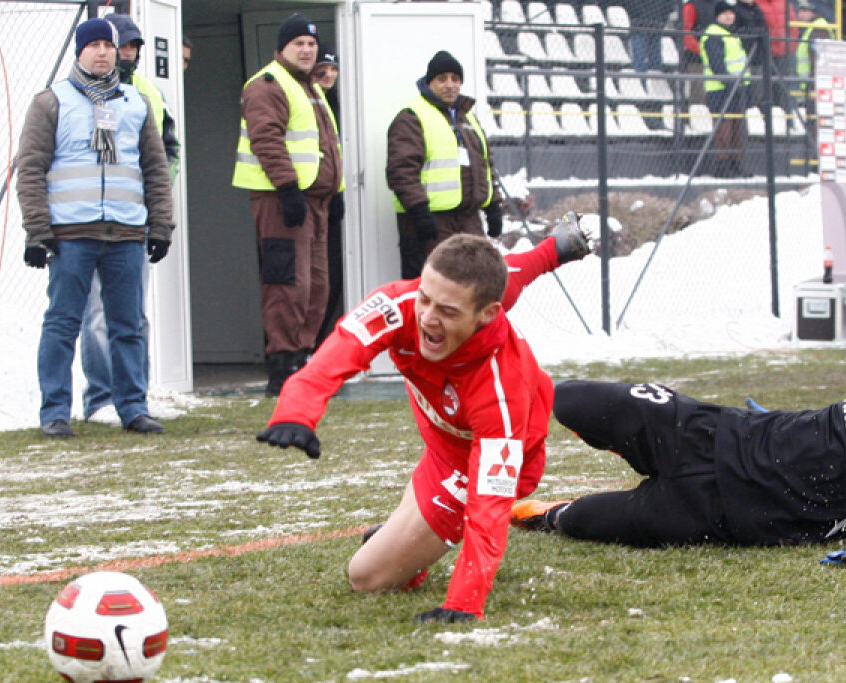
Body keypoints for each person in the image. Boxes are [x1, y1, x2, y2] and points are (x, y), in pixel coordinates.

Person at [255, 219, 592, 624]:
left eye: (447, 311)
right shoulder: (401, 303)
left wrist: (465, 602)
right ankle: (410, 539)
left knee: (366, 577)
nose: (427, 318)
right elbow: (344, 348)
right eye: (426, 299)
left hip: (486, 462)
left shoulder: (500, 392)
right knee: (382, 560)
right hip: (442, 449)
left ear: (487, 314)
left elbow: (490, 503)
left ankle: (413, 545)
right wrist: (297, 411)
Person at [511, 301, 846, 568]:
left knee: (573, 521)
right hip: (713, 431)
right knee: (571, 396)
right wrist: (785, 422)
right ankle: (469, 417)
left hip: (720, 510)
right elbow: (835, 427)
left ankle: (532, 510)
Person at [16, 17, 173, 438]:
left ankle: (133, 407)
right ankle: (54, 412)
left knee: (128, 326)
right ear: (79, 50)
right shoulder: (51, 102)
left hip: (125, 232)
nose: (103, 52)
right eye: (94, 44)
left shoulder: (134, 103)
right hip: (70, 233)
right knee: (63, 323)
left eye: (109, 44)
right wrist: (37, 232)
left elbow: (155, 168)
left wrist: (160, 224)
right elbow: (30, 170)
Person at [232, 14, 344, 397]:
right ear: (281, 49)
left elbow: (326, 148)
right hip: (282, 200)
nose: (308, 50)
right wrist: (287, 189)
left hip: (316, 202)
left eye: (312, 44)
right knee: (286, 285)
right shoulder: (267, 85)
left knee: (316, 286)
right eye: (299, 43)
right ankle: (282, 370)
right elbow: (267, 139)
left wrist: (337, 191)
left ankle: (303, 361)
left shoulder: (310, 87)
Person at [79, 13, 181, 424]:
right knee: (98, 315)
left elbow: (168, 153)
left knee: (134, 315)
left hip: (136, 220)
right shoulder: (96, 96)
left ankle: (134, 398)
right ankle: (100, 398)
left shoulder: (147, 94)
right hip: (94, 222)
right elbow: (101, 160)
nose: (123, 53)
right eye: (115, 45)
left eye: (130, 46)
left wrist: (155, 205)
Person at [387, 50, 503, 280]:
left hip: (467, 218)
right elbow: (401, 171)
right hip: (431, 221)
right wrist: (419, 211)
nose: (450, 85)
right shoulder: (412, 117)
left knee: (474, 285)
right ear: (429, 82)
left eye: (455, 79)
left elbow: (486, 165)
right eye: (442, 79)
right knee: (433, 288)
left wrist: (493, 206)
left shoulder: (467, 119)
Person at [313, 47, 346, 349]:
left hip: (333, 199)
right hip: (312, 200)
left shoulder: (340, 103)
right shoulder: (309, 102)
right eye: (322, 69)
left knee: (332, 277)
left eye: (333, 69)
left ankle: (319, 343)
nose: (329, 75)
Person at [700, 1, 750, 177]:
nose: (729, 16)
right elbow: (717, 65)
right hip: (719, 90)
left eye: (731, 13)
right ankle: (723, 167)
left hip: (736, 88)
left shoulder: (731, 35)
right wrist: (731, 84)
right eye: (725, 13)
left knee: (738, 129)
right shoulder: (714, 35)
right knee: (724, 129)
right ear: (717, 16)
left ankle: (736, 165)